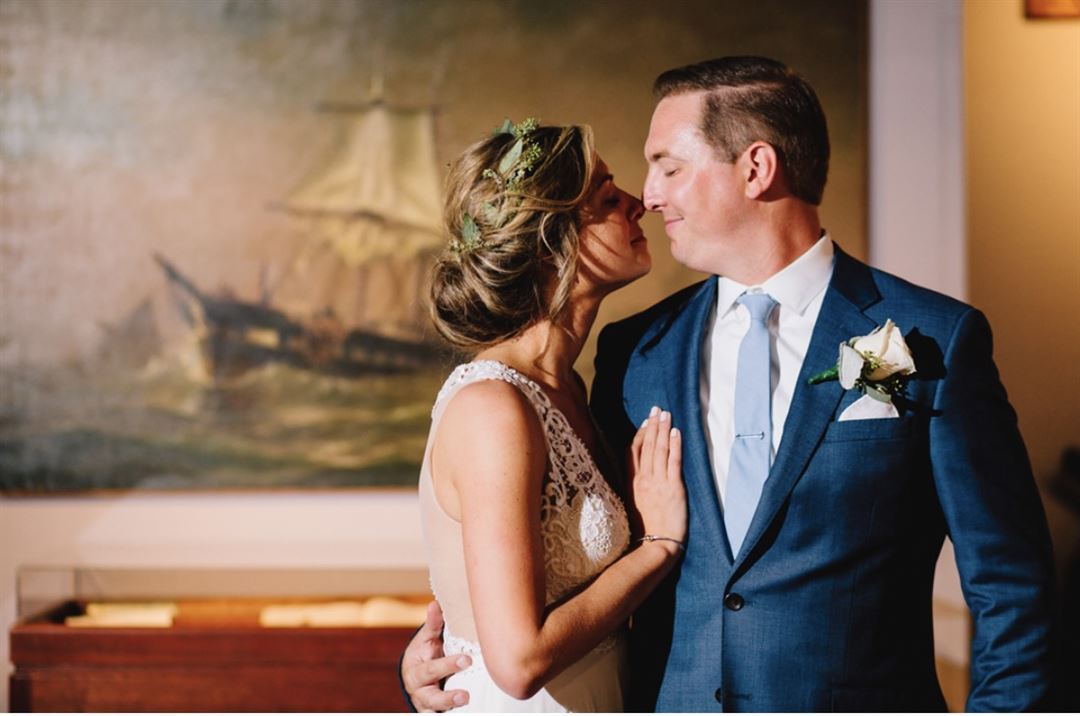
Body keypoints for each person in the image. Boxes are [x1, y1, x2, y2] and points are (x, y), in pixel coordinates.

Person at [404, 57, 1056, 712]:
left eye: (669, 167)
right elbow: (548, 574)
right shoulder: (634, 354)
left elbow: (1011, 588)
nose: (649, 196)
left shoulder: (933, 338)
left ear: (755, 169)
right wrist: (449, 660)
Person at [412, 119, 687, 712]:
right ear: (550, 245)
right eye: (608, 199)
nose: (638, 203)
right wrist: (658, 546)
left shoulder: (574, 388)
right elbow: (518, 663)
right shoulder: (493, 408)